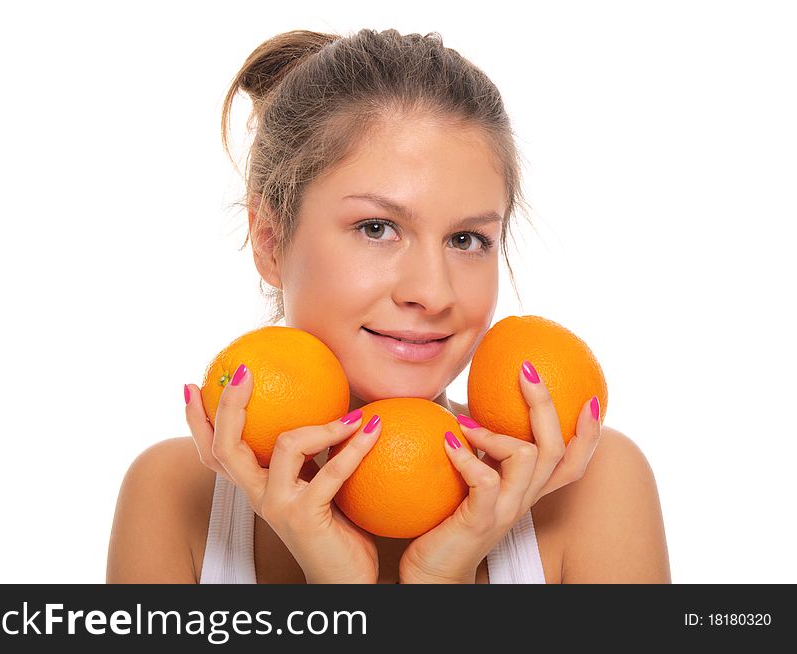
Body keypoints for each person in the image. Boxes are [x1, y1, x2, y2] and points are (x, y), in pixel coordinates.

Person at [106, 28, 671, 584]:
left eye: (467, 239)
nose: (433, 292)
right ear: (271, 240)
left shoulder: (594, 488)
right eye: (377, 228)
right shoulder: (172, 499)